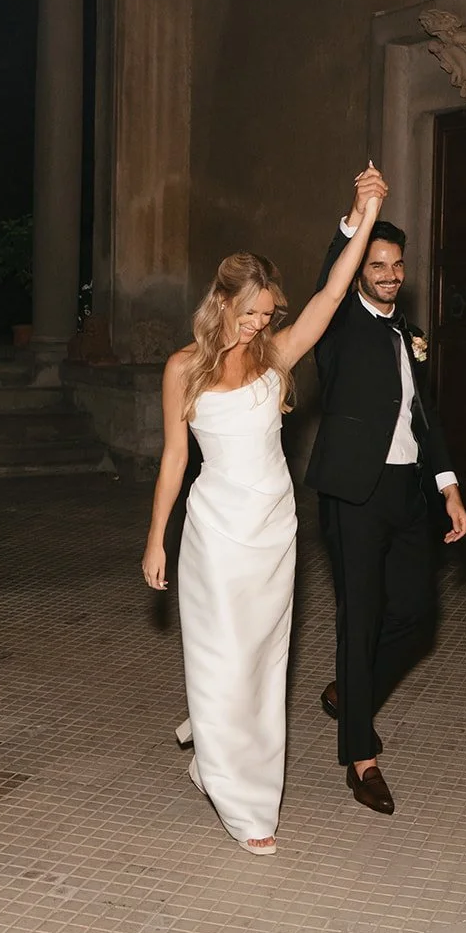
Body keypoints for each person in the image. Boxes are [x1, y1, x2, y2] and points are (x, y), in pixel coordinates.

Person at [140, 173, 384, 856]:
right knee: (221, 661)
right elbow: (172, 462)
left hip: (275, 532)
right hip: (214, 532)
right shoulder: (183, 369)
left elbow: (335, 293)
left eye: (268, 314)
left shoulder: (276, 358)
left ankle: (218, 755)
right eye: (250, 314)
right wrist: (156, 539)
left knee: (261, 665)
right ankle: (244, 806)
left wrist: (367, 213)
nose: (260, 325)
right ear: (222, 303)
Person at [306, 164, 466, 816]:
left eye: (396, 264)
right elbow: (329, 279)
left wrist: (449, 486)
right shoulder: (340, 322)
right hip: (353, 492)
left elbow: (422, 416)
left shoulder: (410, 333)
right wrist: (356, 216)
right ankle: (361, 757)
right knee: (362, 614)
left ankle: (354, 688)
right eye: (377, 263)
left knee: (418, 617)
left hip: (407, 492)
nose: (389, 274)